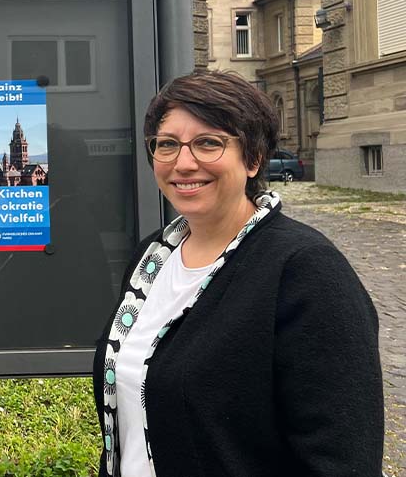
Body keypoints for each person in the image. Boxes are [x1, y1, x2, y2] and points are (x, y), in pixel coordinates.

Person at [92, 70, 383, 476]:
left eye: (208, 143)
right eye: (168, 144)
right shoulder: (152, 259)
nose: (184, 162)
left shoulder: (304, 270)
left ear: (254, 158)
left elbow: (341, 457)